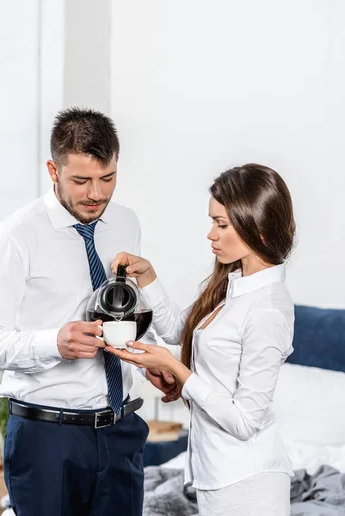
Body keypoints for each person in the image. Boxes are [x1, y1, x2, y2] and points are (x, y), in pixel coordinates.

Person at [0, 107, 175, 516]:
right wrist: (54, 343)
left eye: (107, 178)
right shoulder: (14, 238)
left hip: (120, 431)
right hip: (47, 438)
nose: (95, 193)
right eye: (81, 180)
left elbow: (123, 306)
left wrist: (146, 355)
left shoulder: (125, 222)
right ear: (53, 169)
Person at [108, 163, 296, 516]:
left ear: (259, 229)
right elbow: (183, 331)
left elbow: (244, 422)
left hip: (248, 483)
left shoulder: (267, 309)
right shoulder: (233, 286)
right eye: (212, 221)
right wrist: (148, 278)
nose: (211, 234)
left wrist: (175, 369)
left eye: (222, 224)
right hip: (218, 475)